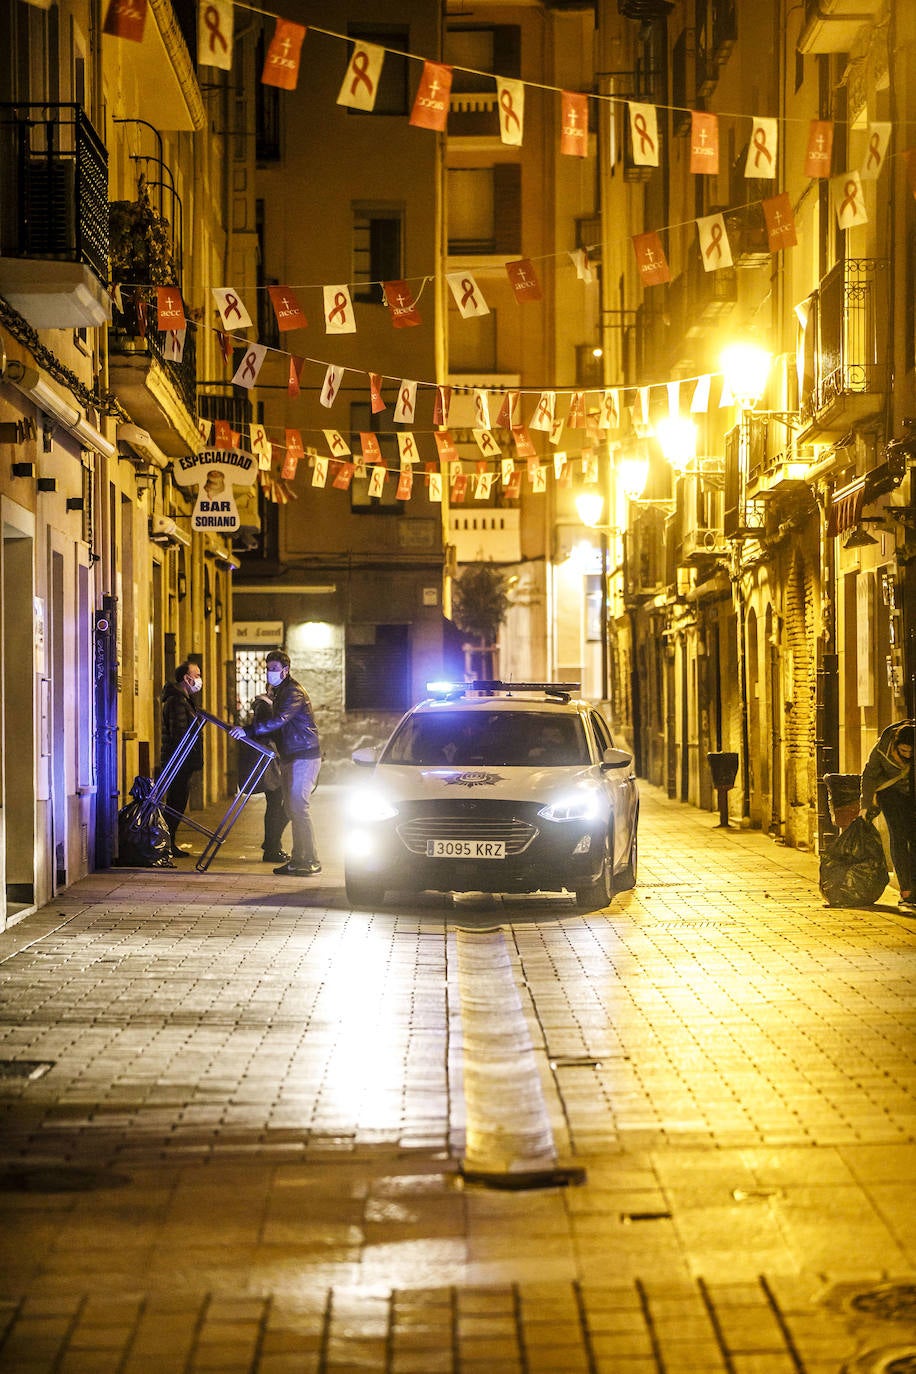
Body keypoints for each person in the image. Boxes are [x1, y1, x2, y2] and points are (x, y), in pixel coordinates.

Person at [230, 650, 322, 876]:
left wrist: (248, 731)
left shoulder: (293, 692)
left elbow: (279, 720)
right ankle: (298, 858)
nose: (269, 673)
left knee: (299, 807)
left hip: (304, 755)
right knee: (291, 807)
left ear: (285, 670)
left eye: (273, 669)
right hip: (291, 755)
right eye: (267, 669)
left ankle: (310, 859)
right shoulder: (281, 691)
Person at [861, 719, 915, 910]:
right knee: (899, 838)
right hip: (890, 793)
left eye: (911, 753)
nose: (907, 755)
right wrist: (865, 805)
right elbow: (869, 775)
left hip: (912, 794)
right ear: (895, 745)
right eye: (904, 751)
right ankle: (906, 891)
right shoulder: (882, 747)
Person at [236, 692, 290, 864]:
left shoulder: (268, 705)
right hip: (270, 760)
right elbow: (267, 730)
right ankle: (272, 847)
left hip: (273, 759)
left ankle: (272, 844)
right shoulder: (264, 706)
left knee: (280, 804)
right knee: (279, 804)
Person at [159, 660, 203, 857]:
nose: (199, 679)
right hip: (178, 761)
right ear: (187, 678)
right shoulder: (177, 700)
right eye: (197, 675)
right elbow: (179, 733)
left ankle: (169, 842)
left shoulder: (183, 699)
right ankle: (167, 843)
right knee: (175, 803)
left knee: (178, 801)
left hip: (183, 761)